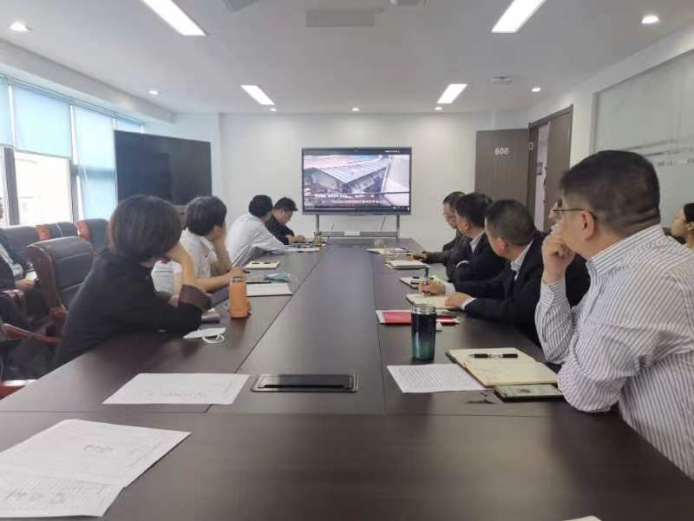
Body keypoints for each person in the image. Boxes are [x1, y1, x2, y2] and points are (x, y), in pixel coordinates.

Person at [536, 150, 694, 479]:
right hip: (631, 458)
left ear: (584, 221)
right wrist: (553, 274)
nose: (556, 222)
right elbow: (558, 350)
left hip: (668, 485)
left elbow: (584, 393)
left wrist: (577, 358)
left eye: (560, 212)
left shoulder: (643, 278)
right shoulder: (624, 265)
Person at [55, 195, 209, 368]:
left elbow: (141, 298)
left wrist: (168, 299)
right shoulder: (121, 281)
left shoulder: (114, 260)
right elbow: (187, 321)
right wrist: (186, 261)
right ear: (159, 239)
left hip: (112, 360)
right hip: (81, 374)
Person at [440, 200, 589, 344]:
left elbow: (519, 310)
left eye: (488, 236)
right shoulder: (520, 247)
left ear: (501, 244)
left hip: (546, 346)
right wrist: (448, 288)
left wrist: (468, 303)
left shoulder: (546, 258)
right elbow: (497, 285)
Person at [152, 196, 244, 294]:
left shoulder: (203, 239)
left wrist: (219, 242)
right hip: (170, 300)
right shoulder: (188, 243)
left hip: (194, 298)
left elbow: (221, 272)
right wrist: (228, 278)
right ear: (217, 228)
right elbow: (183, 287)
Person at [422, 193, 505, 291]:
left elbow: (462, 277)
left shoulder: (490, 246)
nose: (451, 221)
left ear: (465, 224)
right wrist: (460, 266)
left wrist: (456, 266)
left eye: (456, 217)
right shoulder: (473, 239)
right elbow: (457, 267)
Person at [413, 191, 468, 279]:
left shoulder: (469, 235)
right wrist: (428, 256)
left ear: (460, 214)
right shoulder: (460, 230)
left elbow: (454, 256)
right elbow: (452, 252)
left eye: (449, 216)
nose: (446, 220)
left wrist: (431, 257)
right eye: (445, 215)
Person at [226, 195, 286, 267]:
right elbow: (280, 248)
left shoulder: (241, 219)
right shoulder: (256, 226)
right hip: (236, 270)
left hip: (228, 266)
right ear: (268, 213)